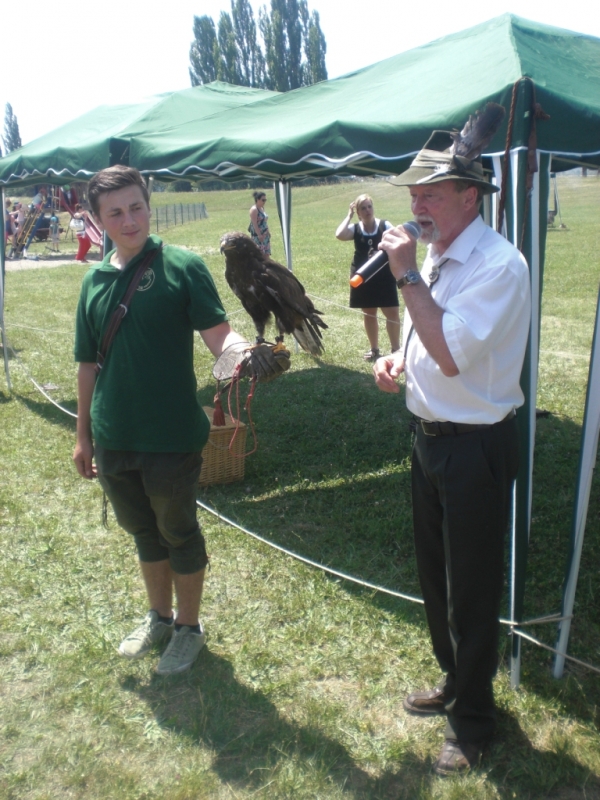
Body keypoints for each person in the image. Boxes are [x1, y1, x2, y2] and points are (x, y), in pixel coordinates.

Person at [73, 165, 288, 676]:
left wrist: (245, 354)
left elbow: (219, 335)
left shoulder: (183, 266)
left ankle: (188, 628)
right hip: (113, 434)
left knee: (179, 532)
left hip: (170, 435)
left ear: (149, 206)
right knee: (144, 533)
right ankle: (159, 617)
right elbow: (86, 365)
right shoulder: (93, 281)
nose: (130, 220)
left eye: (137, 207)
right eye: (115, 213)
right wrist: (83, 435)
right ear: (98, 220)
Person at [373, 124, 531, 775]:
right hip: (430, 440)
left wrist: (406, 274)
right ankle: (455, 679)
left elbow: (452, 353)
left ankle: (473, 721)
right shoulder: (439, 255)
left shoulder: (499, 265)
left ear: (471, 196)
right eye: (414, 193)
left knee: (471, 586)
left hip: (476, 448)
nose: (417, 205)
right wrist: (398, 358)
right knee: (437, 578)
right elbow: (430, 339)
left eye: (431, 193)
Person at [336, 194, 400, 360]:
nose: (367, 210)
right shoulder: (356, 228)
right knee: (369, 313)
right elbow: (339, 234)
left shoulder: (384, 225)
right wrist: (348, 216)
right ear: (358, 212)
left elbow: (398, 242)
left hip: (384, 276)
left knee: (392, 313)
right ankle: (374, 350)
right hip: (363, 277)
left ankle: (396, 350)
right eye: (363, 208)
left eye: (369, 206)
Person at [249, 191, 271, 256]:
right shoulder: (254, 210)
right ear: (257, 199)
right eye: (263, 200)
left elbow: (264, 221)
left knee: (266, 254)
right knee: (260, 255)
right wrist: (259, 235)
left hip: (265, 235)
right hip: (258, 237)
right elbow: (254, 223)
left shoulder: (262, 208)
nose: (264, 202)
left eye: (265, 200)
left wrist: (268, 231)